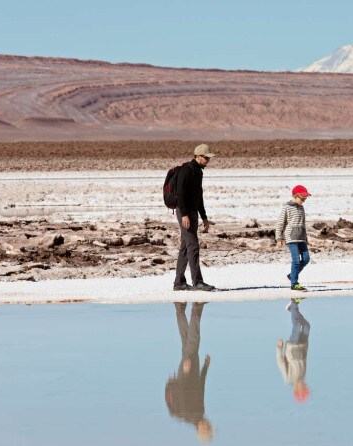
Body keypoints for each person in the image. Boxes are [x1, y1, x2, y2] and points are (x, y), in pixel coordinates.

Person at [165, 302, 214, 443]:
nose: (209, 424)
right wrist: (205, 367)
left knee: (194, 340)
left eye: (208, 427)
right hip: (191, 371)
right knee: (187, 338)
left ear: (201, 429)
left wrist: (186, 372)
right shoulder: (192, 416)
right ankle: (179, 308)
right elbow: (201, 388)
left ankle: (197, 307)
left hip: (188, 372)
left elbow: (185, 393)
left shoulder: (194, 414)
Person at [174, 143, 216, 292]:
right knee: (193, 245)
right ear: (198, 156)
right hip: (184, 212)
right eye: (206, 158)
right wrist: (184, 214)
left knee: (185, 247)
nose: (208, 161)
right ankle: (197, 282)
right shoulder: (186, 170)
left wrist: (204, 217)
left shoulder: (198, 172)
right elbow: (179, 194)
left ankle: (179, 283)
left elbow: (199, 196)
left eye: (209, 158)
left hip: (192, 212)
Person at [275, 185, 311, 291]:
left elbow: (303, 224)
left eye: (305, 199)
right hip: (291, 238)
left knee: (306, 258)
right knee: (296, 260)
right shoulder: (287, 207)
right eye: (302, 198)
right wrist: (278, 238)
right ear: (295, 196)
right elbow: (280, 223)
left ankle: (292, 275)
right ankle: (294, 284)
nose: (304, 201)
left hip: (301, 237)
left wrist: (306, 238)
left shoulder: (301, 208)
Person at [276, 299, 311, 403]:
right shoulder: (302, 377)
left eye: (303, 388)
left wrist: (279, 348)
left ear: (296, 389)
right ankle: (292, 309)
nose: (304, 385)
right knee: (306, 326)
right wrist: (306, 343)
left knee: (297, 325)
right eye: (305, 387)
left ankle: (294, 303)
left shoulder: (289, 379)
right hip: (302, 345)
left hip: (293, 346)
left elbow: (281, 363)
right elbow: (304, 360)